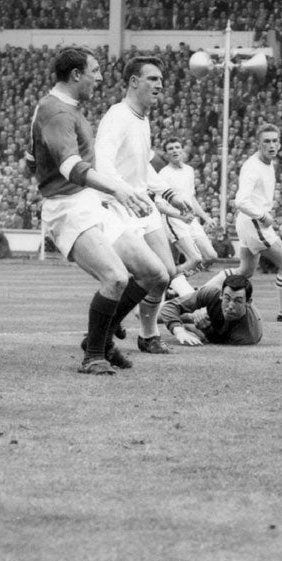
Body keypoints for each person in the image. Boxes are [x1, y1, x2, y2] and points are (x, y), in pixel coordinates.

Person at [28, 46, 170, 375]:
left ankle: (102, 340)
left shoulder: (65, 109)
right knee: (116, 277)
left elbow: (31, 160)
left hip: (89, 200)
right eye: (95, 71)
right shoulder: (58, 113)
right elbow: (70, 167)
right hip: (68, 207)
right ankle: (94, 354)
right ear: (76, 74)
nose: (101, 77)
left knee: (156, 273)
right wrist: (117, 188)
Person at [93, 57, 182, 355]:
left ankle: (141, 332)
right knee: (152, 273)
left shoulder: (142, 118)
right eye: (153, 79)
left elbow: (143, 166)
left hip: (143, 203)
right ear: (133, 81)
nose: (160, 85)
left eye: (161, 80)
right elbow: (102, 164)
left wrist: (168, 193)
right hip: (121, 205)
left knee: (166, 272)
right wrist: (124, 193)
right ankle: (128, 330)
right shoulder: (117, 116)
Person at [233, 123, 282, 322]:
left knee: (244, 272)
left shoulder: (268, 164)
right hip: (254, 222)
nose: (272, 145)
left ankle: (201, 295)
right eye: (267, 141)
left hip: (249, 222)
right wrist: (262, 215)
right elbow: (241, 200)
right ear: (258, 143)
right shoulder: (252, 167)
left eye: (275, 141)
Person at [155, 136, 221, 277]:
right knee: (195, 259)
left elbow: (191, 198)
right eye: (170, 149)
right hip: (173, 220)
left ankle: (176, 281)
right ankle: (172, 284)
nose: (174, 151)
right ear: (166, 155)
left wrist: (205, 217)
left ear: (182, 151)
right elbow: (160, 205)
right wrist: (180, 216)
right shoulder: (164, 174)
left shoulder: (189, 170)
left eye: (177, 147)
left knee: (210, 256)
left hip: (191, 219)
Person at [158, 270, 263, 346]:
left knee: (184, 321)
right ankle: (178, 281)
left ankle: (179, 282)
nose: (230, 306)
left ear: (248, 302)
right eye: (227, 299)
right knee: (151, 315)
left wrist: (204, 329)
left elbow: (216, 341)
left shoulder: (247, 335)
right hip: (207, 314)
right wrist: (179, 331)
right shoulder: (213, 293)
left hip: (216, 327)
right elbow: (169, 307)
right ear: (221, 295)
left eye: (238, 301)